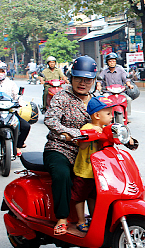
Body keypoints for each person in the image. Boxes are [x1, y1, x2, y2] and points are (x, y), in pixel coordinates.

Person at [43, 55, 97, 236]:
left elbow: (108, 119)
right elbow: (50, 119)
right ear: (71, 78)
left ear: (93, 81)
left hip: (88, 152)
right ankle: (62, 218)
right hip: (60, 148)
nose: (83, 83)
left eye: (87, 79)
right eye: (78, 78)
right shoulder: (62, 97)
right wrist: (74, 134)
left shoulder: (96, 99)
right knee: (62, 174)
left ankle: (98, 218)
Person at [72, 96, 114, 232]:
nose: (111, 116)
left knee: (93, 196)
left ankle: (94, 218)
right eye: (108, 114)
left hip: (97, 172)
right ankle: (80, 220)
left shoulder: (105, 129)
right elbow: (82, 146)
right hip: (84, 171)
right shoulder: (88, 127)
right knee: (80, 196)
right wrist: (92, 136)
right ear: (97, 115)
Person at [0, 62, 31, 156]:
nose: (0, 73)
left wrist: (20, 103)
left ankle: (18, 145)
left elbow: (17, 96)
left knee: (26, 126)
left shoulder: (11, 83)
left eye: (2, 71)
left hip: (9, 112)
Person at [96, 52, 133, 119]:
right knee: (103, 99)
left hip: (120, 92)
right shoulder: (104, 71)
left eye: (113, 61)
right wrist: (99, 86)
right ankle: (105, 116)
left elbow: (126, 79)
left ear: (116, 62)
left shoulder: (120, 70)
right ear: (107, 62)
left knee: (128, 99)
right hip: (108, 92)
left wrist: (129, 85)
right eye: (110, 61)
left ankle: (127, 116)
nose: (112, 62)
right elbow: (99, 81)